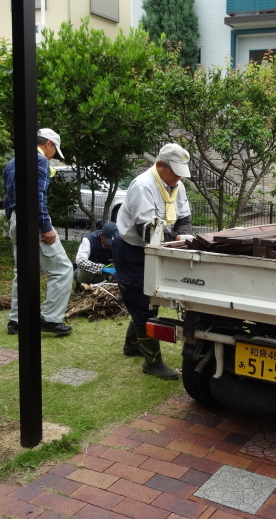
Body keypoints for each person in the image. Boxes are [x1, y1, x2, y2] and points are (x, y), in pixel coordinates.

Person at [112, 143, 194, 380]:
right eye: (174, 171)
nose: (178, 177)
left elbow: (184, 216)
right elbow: (146, 230)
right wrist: (177, 239)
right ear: (159, 165)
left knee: (148, 298)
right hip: (133, 249)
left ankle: (132, 345)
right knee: (140, 298)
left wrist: (184, 233)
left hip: (159, 247)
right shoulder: (143, 186)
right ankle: (152, 362)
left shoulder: (176, 185)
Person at [3, 128, 74, 337]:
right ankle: (50, 319)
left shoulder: (13, 161)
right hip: (34, 220)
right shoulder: (39, 160)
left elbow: (8, 198)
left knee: (23, 272)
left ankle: (16, 321)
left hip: (16, 219)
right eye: (54, 151)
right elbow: (37, 195)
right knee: (63, 269)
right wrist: (45, 227)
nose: (53, 157)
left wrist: (13, 220)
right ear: (49, 144)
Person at [74, 221, 119, 288]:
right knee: (84, 270)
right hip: (86, 274)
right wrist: (102, 269)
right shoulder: (89, 240)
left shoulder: (118, 242)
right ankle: (80, 288)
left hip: (103, 276)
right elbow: (80, 261)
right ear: (101, 236)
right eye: (109, 241)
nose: (111, 245)